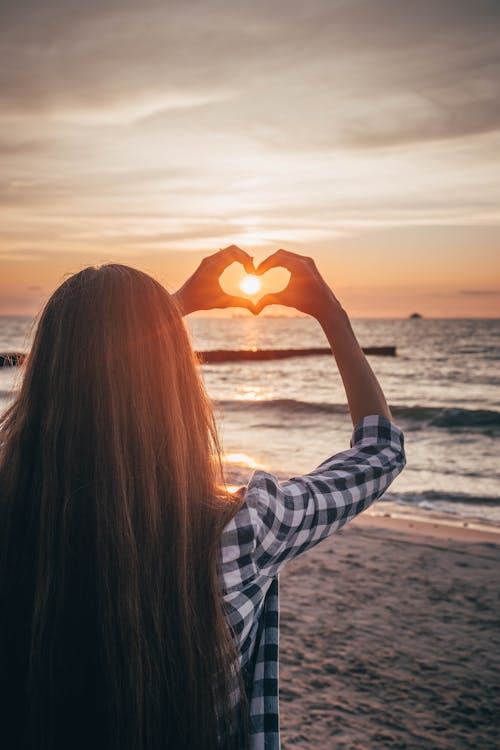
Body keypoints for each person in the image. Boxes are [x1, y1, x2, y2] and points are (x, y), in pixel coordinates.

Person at [0, 246, 405, 750]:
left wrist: (169, 308)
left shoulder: (14, 513)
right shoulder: (243, 531)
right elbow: (380, 451)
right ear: (179, 383)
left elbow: (86, 380)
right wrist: (331, 316)